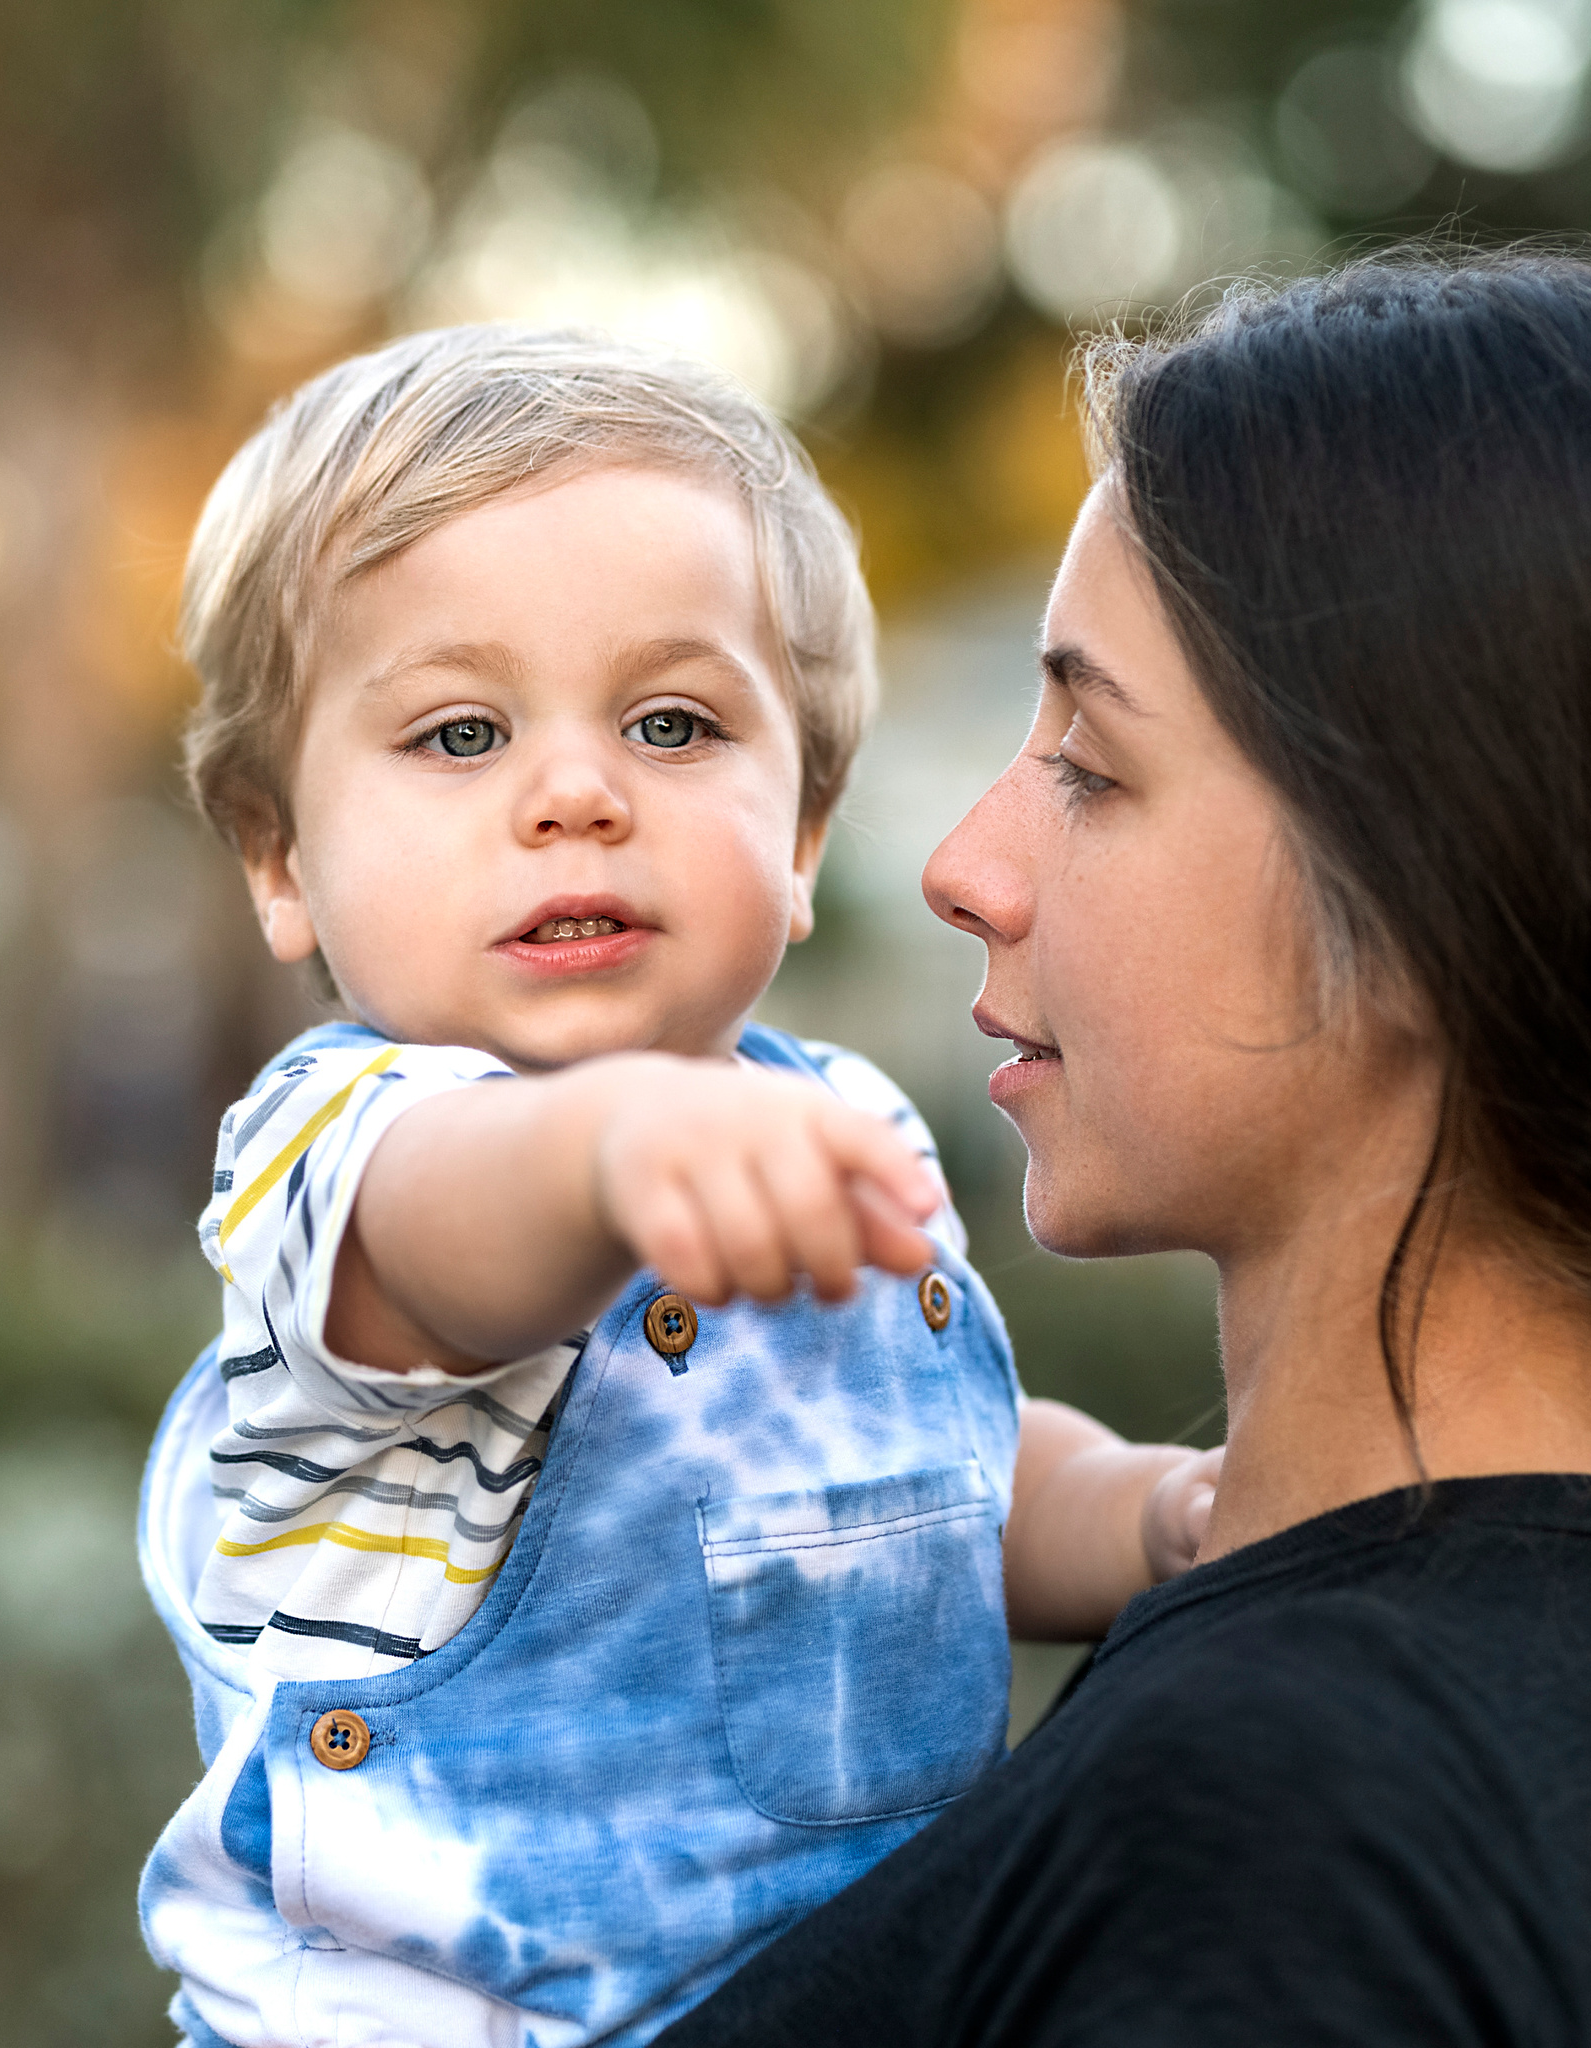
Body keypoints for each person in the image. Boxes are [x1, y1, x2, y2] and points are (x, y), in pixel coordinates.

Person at [660, 252, 1591, 2048]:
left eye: (1090, 767)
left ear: (1449, 912)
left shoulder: (1297, 1818)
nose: (965, 862)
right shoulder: (1502, 1687)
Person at [131, 326, 1223, 2048]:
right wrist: (615, 1152)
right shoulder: (339, 1140)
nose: (576, 794)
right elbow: (456, 1237)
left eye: (670, 720)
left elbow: (935, 1499)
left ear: (798, 838)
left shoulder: (840, 1120)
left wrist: (1157, 1517)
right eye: (460, 731)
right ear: (283, 856)